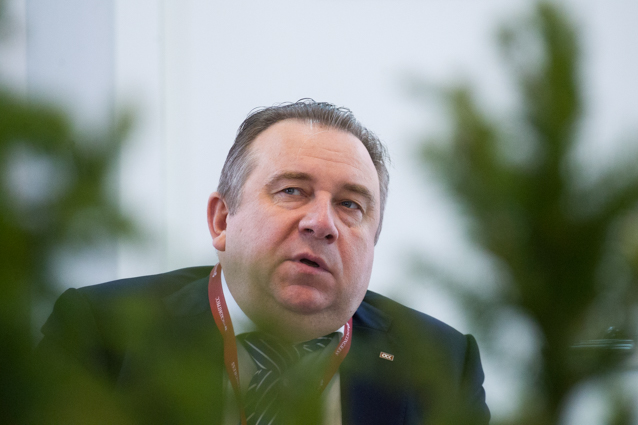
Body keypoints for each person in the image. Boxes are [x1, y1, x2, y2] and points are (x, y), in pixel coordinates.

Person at [36, 100, 490, 424]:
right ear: (222, 220)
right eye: (292, 191)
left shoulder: (443, 363)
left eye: (350, 205)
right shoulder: (102, 331)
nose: (322, 223)